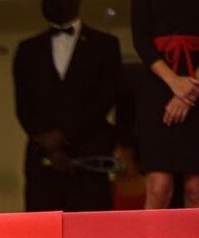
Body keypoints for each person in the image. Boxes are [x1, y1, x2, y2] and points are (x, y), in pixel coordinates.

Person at [13, 0, 121, 212]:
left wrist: (64, 136)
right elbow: (23, 106)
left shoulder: (105, 45)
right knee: (41, 233)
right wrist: (47, 144)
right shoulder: (27, 49)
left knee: (90, 233)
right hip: (42, 161)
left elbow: (104, 100)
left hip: (88, 157)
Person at [131, 0, 199, 209]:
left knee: (197, 187)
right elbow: (141, 40)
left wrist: (189, 89)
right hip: (158, 85)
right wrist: (174, 82)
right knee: (159, 185)